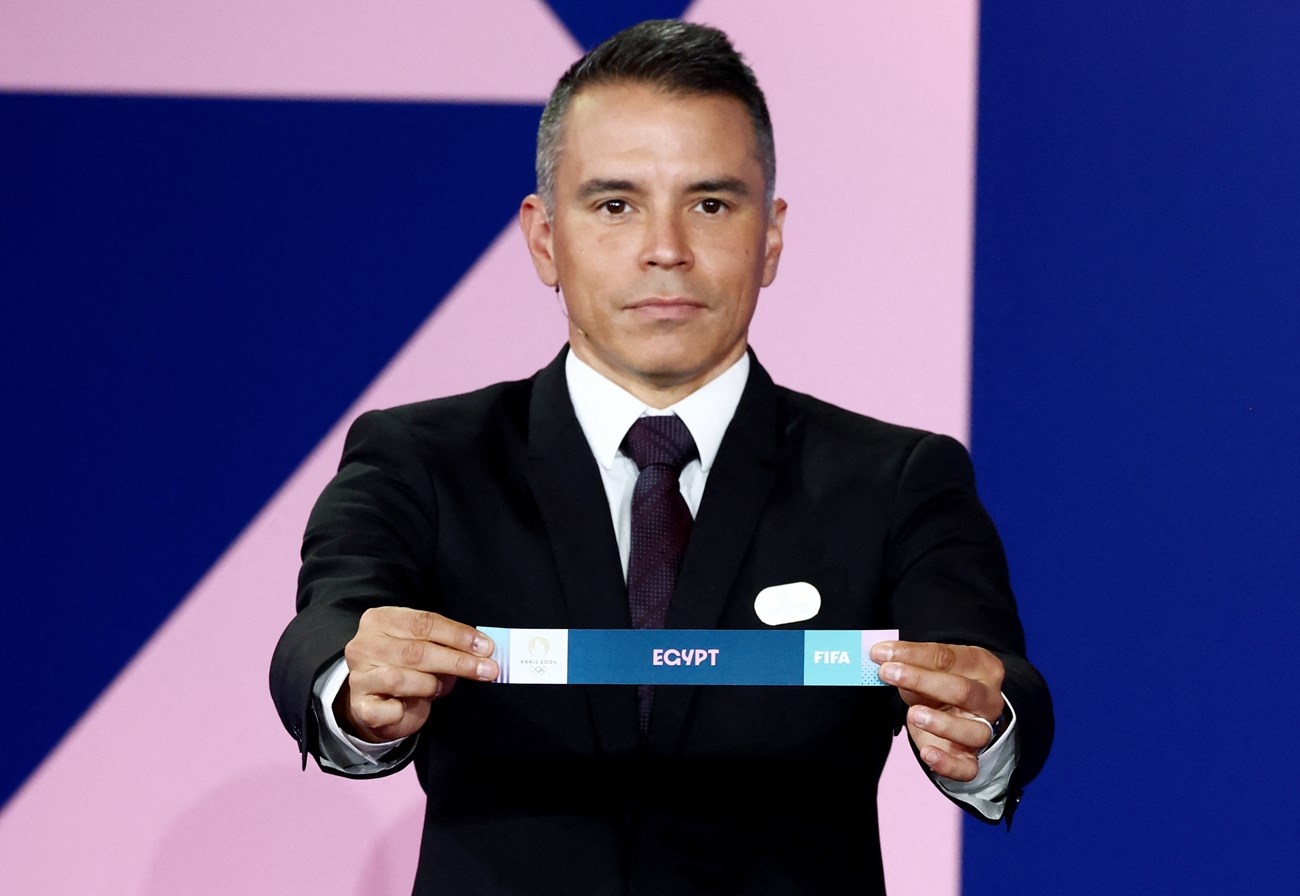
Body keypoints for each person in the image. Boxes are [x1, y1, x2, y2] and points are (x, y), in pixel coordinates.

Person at [270, 18, 1052, 895]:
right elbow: (329, 627)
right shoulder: (421, 459)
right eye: (616, 205)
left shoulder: (897, 479)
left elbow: (998, 680)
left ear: (772, 237)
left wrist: (986, 725)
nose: (666, 249)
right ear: (543, 239)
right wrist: (352, 687)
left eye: (710, 204)